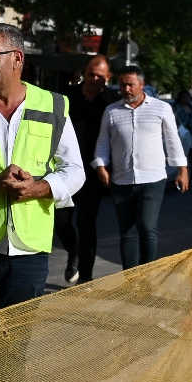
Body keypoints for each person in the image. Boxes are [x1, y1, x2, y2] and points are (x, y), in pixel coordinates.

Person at [0, 21, 82, 309]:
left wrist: (38, 188)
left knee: (14, 336)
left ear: (17, 58)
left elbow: (75, 170)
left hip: (30, 250)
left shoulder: (52, 105)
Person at [92, 66, 189, 269]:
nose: (126, 89)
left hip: (152, 180)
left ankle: (146, 273)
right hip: (122, 179)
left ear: (141, 84)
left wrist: (182, 169)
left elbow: (173, 140)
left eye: (131, 85)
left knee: (146, 227)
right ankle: (130, 277)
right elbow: (103, 142)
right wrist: (100, 166)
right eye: (122, 85)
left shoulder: (161, 108)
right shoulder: (111, 111)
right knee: (127, 232)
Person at [63, 54, 114, 285]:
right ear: (83, 73)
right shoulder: (66, 98)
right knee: (61, 221)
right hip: (63, 168)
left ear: (108, 76)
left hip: (93, 173)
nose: (94, 79)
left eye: (100, 76)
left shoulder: (111, 103)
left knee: (86, 223)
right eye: (91, 74)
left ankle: (86, 276)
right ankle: (72, 249)